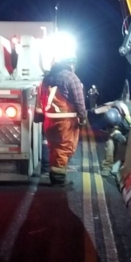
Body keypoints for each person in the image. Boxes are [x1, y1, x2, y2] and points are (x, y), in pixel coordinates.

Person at [38, 55, 87, 187]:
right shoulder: (71, 77)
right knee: (64, 149)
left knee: (54, 148)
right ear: (71, 64)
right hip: (66, 121)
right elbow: (79, 100)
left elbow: (41, 98)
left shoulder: (47, 78)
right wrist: (82, 117)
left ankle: (54, 176)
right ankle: (58, 181)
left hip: (49, 120)